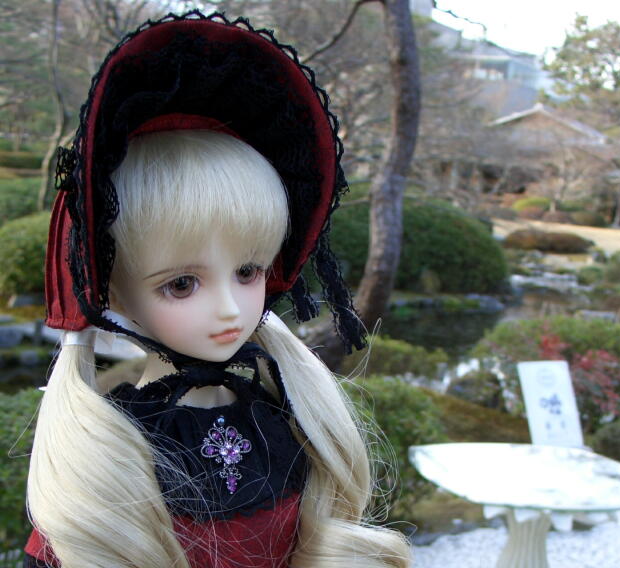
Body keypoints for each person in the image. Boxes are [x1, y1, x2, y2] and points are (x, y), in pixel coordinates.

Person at [24, 12, 410, 568]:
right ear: (111, 290)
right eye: (181, 284)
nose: (230, 309)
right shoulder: (108, 457)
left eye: (249, 272)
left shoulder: (288, 421)